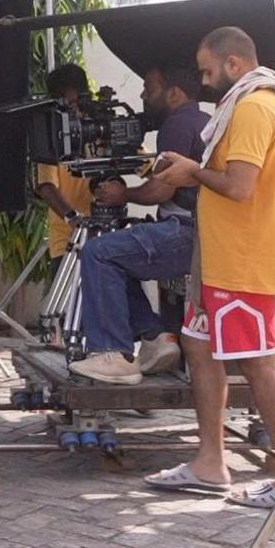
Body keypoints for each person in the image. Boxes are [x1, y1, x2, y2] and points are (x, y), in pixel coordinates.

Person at [149, 27, 275, 510]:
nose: (204, 83)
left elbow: (239, 186)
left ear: (233, 65)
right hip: (222, 259)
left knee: (259, 365)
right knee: (199, 345)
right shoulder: (255, 104)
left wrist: (191, 171)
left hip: (242, 261)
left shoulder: (253, 107)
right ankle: (211, 462)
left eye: (208, 71)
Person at [68, 64, 210, 384]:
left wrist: (123, 194)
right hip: (201, 233)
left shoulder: (176, 124)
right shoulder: (203, 121)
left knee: (98, 252)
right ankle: (156, 336)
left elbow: (161, 189)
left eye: (150, 88)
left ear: (175, 93)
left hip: (185, 233)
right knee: (117, 257)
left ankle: (112, 352)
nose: (144, 95)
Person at [35, 64, 95, 268]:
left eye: (73, 101)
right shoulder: (51, 137)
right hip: (67, 244)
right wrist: (73, 218)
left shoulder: (103, 125)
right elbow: (46, 187)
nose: (72, 109)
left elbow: (149, 166)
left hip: (108, 241)